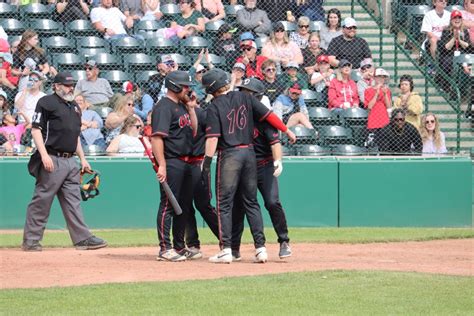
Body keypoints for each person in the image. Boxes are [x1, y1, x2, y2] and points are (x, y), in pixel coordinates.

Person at [201, 68, 296, 263]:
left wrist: (206, 163)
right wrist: (286, 130)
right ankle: (261, 249)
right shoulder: (245, 98)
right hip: (249, 154)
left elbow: (212, 139)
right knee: (251, 203)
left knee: (225, 203)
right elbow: (269, 115)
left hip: (230, 155)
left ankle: (226, 249)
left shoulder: (214, 106)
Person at [22, 72, 107, 252]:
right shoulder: (46, 102)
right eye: (67, 85)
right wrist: (44, 155)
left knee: (73, 201)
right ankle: (31, 241)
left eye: (72, 85)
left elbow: (75, 135)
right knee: (42, 200)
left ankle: (82, 239)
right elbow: (36, 130)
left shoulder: (74, 106)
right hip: (52, 157)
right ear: (56, 86)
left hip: (71, 161)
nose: (70, 88)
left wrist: (83, 159)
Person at [231, 78, 292, 260]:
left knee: (272, 202)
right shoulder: (237, 116)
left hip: (264, 165)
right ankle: (234, 247)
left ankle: (284, 241)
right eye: (242, 91)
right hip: (244, 167)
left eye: (247, 92)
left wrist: (278, 161)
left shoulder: (265, 117)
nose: (243, 95)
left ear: (256, 97)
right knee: (239, 207)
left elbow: (275, 142)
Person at [151, 70, 198, 262]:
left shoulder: (182, 106)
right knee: (169, 205)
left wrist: (192, 108)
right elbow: (156, 138)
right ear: (176, 86)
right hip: (172, 161)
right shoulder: (163, 107)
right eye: (185, 86)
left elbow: (194, 130)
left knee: (184, 206)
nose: (188, 89)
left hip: (187, 161)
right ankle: (165, 248)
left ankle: (179, 247)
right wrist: (162, 165)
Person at [184, 101, 220, 259]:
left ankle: (227, 241)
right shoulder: (173, 112)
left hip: (198, 162)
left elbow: (214, 135)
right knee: (186, 206)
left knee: (203, 205)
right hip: (182, 162)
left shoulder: (202, 114)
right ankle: (193, 245)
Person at [437, 10, 471, 94]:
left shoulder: (465, 31)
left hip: (463, 57)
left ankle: (462, 90)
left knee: (469, 65)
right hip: (449, 56)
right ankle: (447, 86)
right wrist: (453, 38)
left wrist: (459, 39)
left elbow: (468, 46)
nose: (457, 19)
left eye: (459, 17)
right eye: (455, 18)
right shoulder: (446, 31)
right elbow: (446, 47)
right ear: (451, 20)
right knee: (447, 62)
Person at [421, 0, 451, 72]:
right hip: (432, 40)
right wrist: (437, 37)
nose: (444, 2)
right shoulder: (429, 15)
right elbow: (427, 31)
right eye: (441, 0)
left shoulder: (449, 14)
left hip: (446, 39)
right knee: (433, 40)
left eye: (446, 0)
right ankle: (435, 63)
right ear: (434, 3)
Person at [364, 68, 391, 134]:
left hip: (384, 119)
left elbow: (389, 106)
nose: (381, 79)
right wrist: (376, 93)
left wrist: (385, 94)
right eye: (379, 77)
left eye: (383, 77)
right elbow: (369, 107)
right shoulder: (368, 90)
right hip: (373, 119)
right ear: (374, 78)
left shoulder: (386, 90)